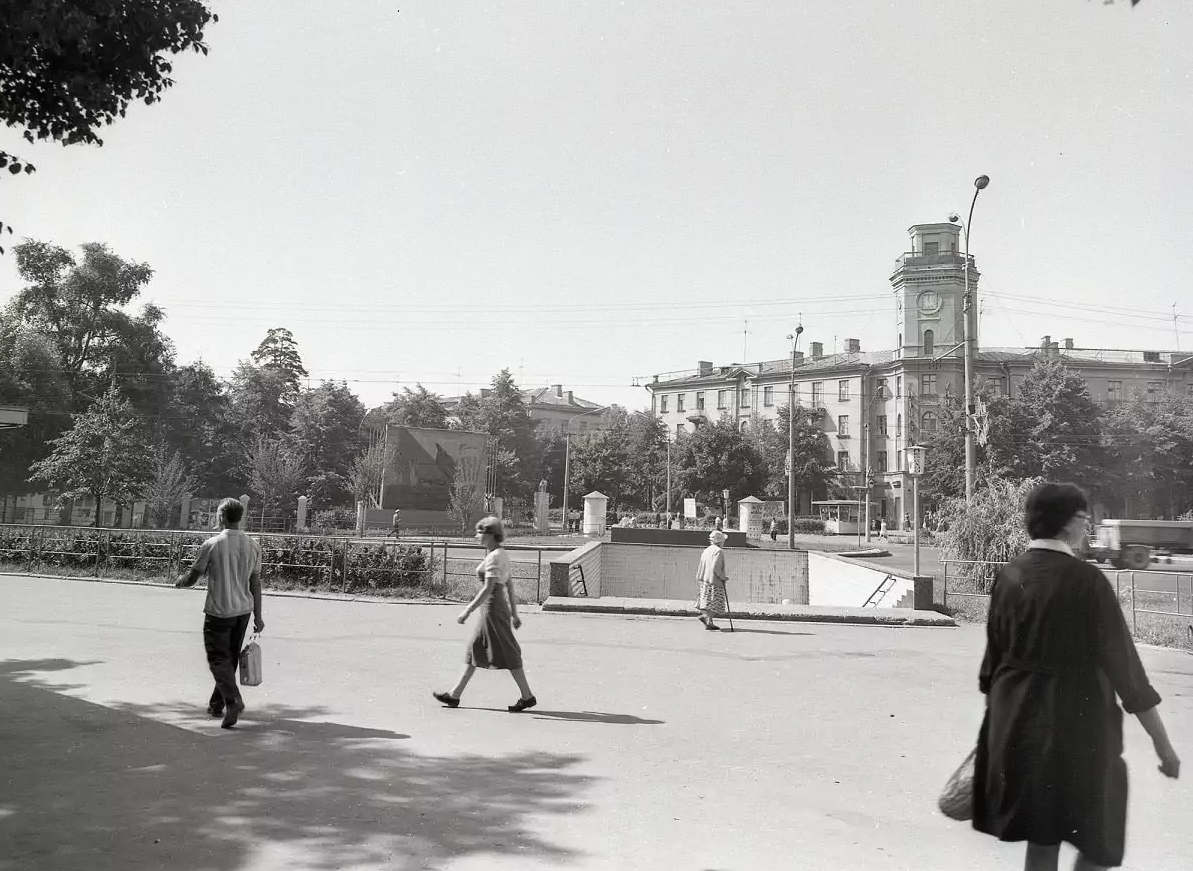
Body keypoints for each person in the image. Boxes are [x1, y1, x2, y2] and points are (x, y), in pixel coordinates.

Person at [972, 482, 1180, 871]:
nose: (1087, 526)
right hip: (1080, 731)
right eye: (1085, 519)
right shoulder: (1088, 582)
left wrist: (997, 736)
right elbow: (1128, 676)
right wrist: (1164, 747)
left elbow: (991, 670)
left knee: (1042, 836)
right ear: (1069, 524)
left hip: (1016, 729)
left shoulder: (1008, 576)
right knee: (1100, 841)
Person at [175, 497, 265, 729]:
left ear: (223, 516)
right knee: (230, 658)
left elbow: (194, 576)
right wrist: (258, 615)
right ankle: (217, 704)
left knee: (218, 659)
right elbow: (255, 584)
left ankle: (232, 700)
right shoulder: (254, 545)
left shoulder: (213, 544)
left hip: (219, 611)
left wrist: (181, 582)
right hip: (243, 611)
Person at [433, 516, 537, 712]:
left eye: (480, 532)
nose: (476, 536)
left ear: (490, 534)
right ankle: (455, 695)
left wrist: (467, 611)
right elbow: (509, 584)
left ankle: (527, 695)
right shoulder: (499, 553)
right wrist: (514, 613)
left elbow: (488, 588)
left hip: (492, 608)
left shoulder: (495, 556)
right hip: (495, 607)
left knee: (507, 651)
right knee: (476, 649)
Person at [694, 529, 730, 631]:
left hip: (705, 580)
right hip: (714, 581)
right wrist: (723, 577)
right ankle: (706, 618)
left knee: (709, 603)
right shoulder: (719, 551)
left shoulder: (707, 550)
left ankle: (709, 622)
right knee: (717, 604)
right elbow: (715, 567)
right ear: (720, 541)